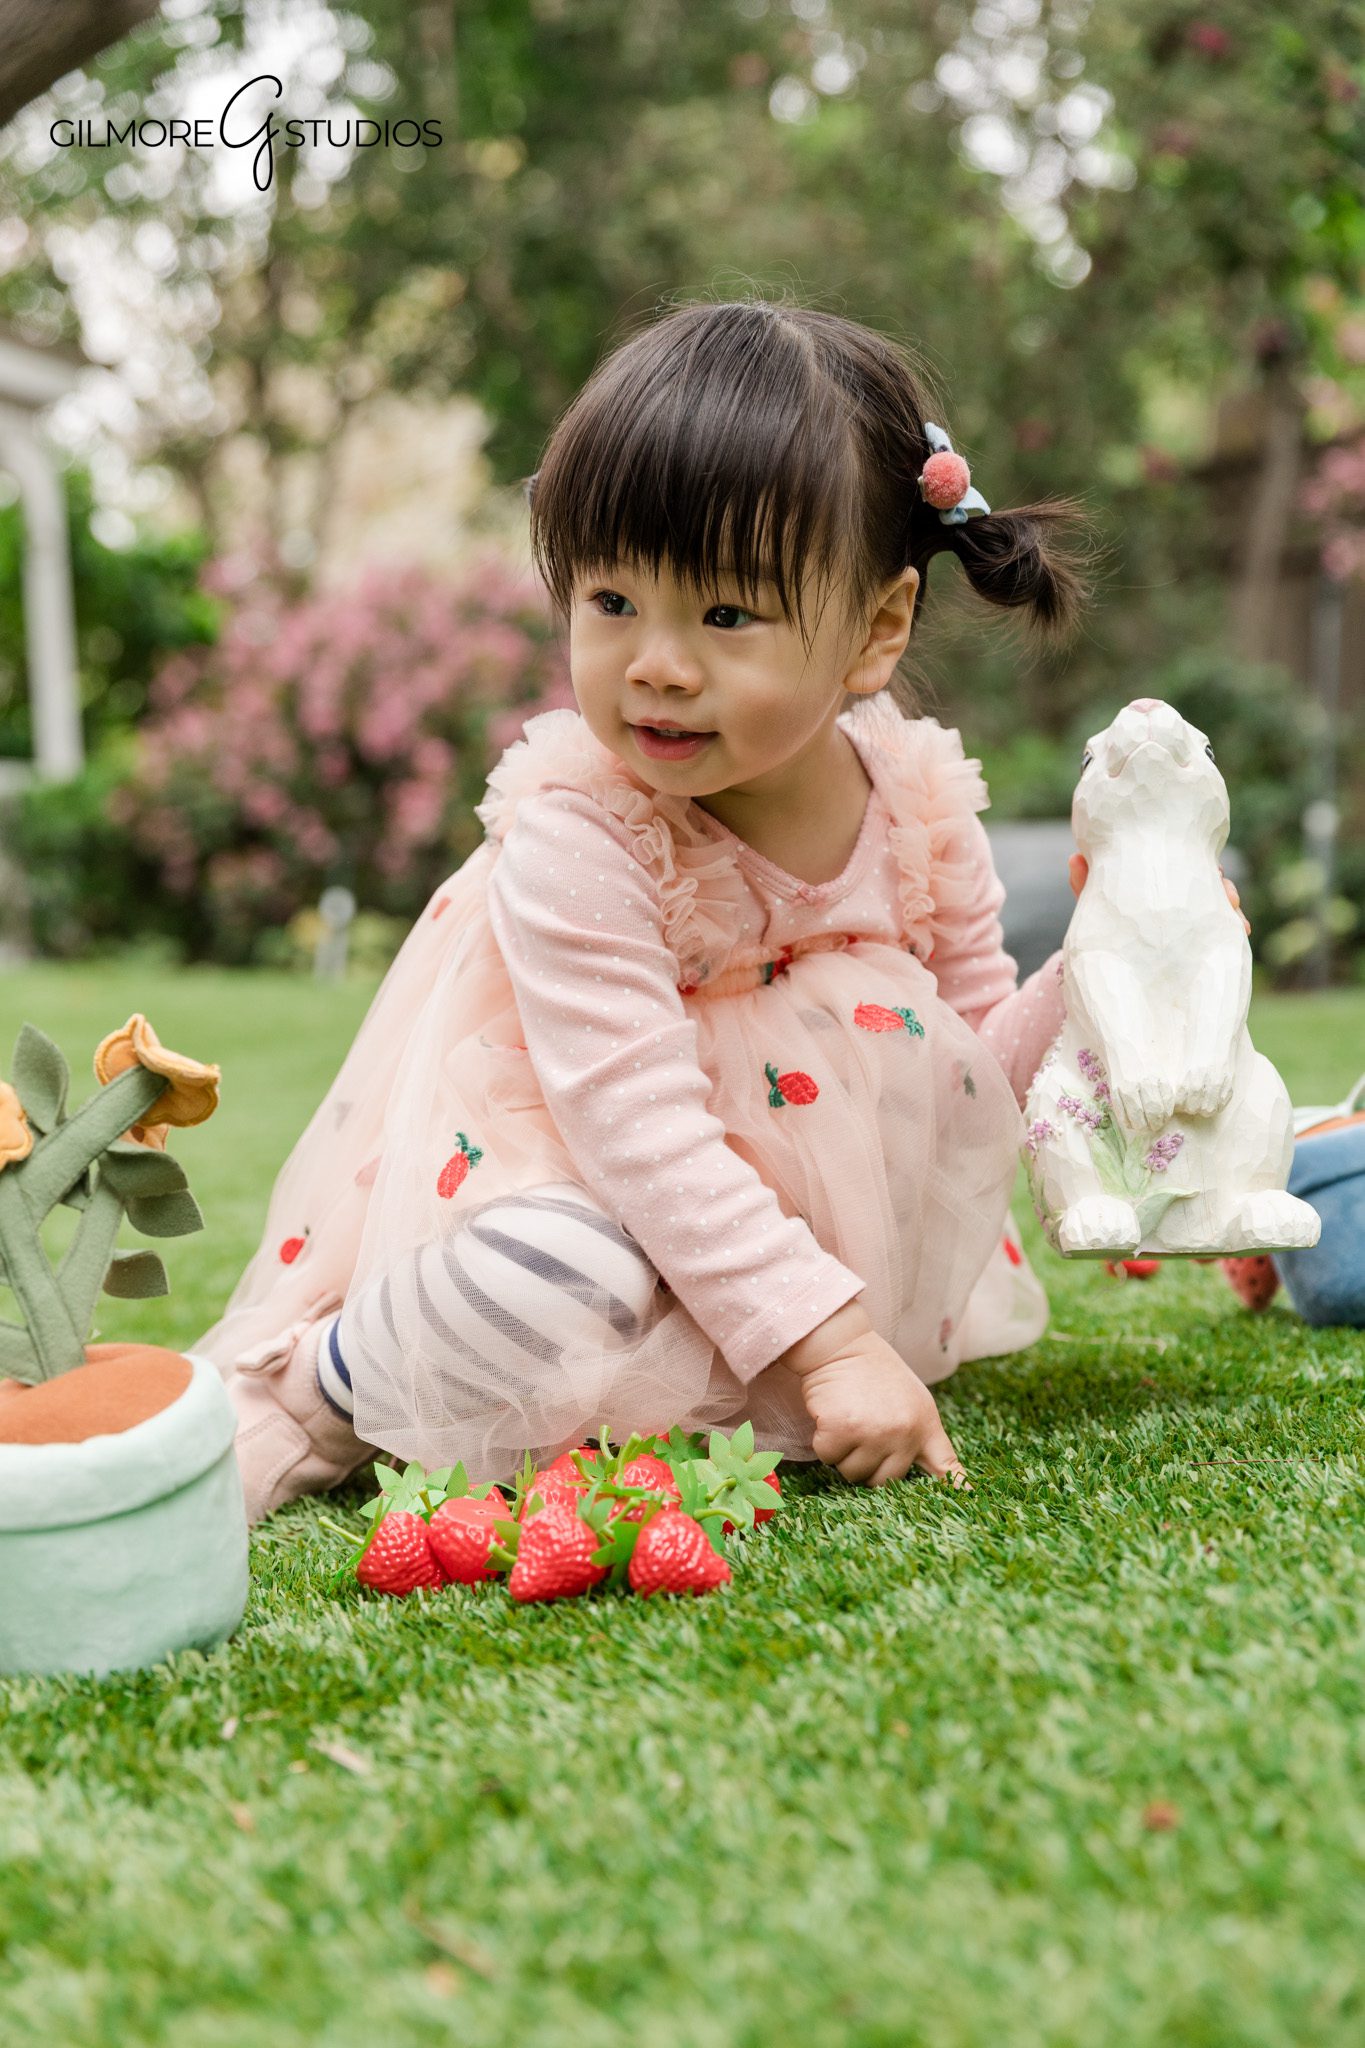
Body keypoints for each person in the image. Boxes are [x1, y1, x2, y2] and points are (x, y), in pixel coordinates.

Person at [195, 296, 1107, 1523]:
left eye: (726, 615)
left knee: (666, 1324)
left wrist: (1100, 967)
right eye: (612, 601)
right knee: (569, 1275)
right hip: (581, 1189)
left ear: (877, 629)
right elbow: (640, 1133)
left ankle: (738, 1339)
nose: (656, 665)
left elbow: (970, 1078)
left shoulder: (921, 806)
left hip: (769, 1244)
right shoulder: (585, 826)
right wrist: (832, 1347)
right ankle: (321, 1389)